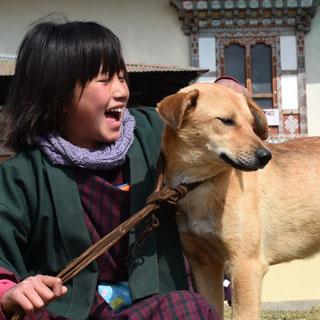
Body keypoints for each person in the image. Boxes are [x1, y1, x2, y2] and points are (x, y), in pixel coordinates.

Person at [0, 19, 246, 320]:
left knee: (186, 309)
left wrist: (224, 97)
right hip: (70, 314)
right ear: (59, 97)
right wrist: (9, 292)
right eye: (105, 80)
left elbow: (204, 130)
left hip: (154, 312)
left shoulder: (160, 134)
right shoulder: (20, 177)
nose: (121, 92)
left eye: (121, 77)